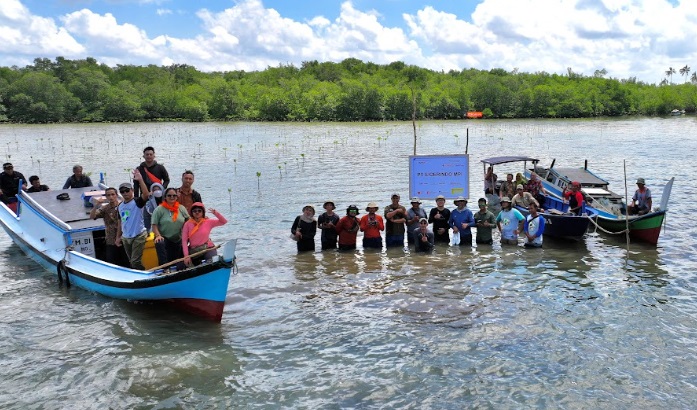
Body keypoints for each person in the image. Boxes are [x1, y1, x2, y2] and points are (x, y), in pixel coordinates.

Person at [115, 170, 150, 270]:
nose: (125, 193)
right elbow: (120, 222)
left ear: (132, 190)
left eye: (127, 190)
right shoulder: (120, 206)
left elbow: (146, 194)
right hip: (126, 237)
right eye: (122, 191)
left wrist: (140, 180)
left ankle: (144, 274)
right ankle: (138, 274)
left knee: (135, 261)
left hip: (138, 235)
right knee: (131, 261)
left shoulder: (137, 202)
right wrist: (118, 237)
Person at [90, 187, 128, 267]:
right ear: (106, 197)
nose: (111, 197)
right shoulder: (105, 208)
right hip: (110, 239)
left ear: (116, 195)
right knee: (112, 262)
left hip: (123, 239)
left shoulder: (123, 206)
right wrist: (96, 205)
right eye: (108, 195)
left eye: (112, 194)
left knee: (126, 261)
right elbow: (92, 216)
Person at [151, 187, 189, 265]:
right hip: (165, 238)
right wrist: (158, 235)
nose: (172, 197)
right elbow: (154, 225)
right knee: (159, 242)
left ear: (177, 197)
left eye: (174, 195)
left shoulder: (181, 208)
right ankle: (164, 267)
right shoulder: (159, 209)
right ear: (165, 197)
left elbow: (189, 221)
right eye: (169, 195)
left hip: (178, 238)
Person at [182, 202, 228, 266]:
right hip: (194, 250)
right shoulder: (187, 224)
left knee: (212, 262)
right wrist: (186, 256)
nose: (197, 212)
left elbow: (224, 221)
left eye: (199, 211)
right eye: (194, 211)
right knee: (182, 265)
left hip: (208, 248)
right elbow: (184, 241)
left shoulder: (208, 221)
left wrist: (215, 213)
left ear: (203, 212)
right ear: (191, 213)